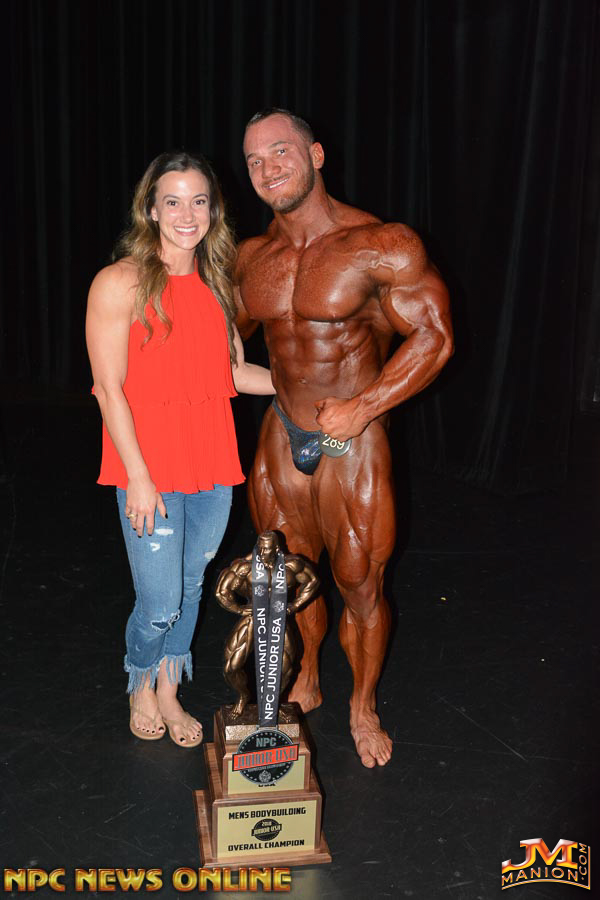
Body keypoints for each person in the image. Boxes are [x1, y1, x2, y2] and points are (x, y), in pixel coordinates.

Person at [235, 109, 453, 767]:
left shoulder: (381, 244)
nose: (269, 168)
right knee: (288, 576)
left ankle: (363, 705)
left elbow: (434, 336)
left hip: (351, 440)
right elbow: (215, 341)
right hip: (282, 434)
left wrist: (364, 407)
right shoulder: (252, 258)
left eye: (281, 152)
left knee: (359, 583)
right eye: (254, 161)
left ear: (316, 155)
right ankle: (306, 671)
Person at [86, 151, 274, 747]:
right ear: (151, 209)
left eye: (199, 201)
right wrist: (139, 478)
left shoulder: (217, 287)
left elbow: (234, 373)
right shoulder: (119, 282)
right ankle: (140, 678)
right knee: (160, 601)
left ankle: (169, 690)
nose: (187, 214)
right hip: (149, 469)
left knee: (192, 587)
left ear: (213, 211)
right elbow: (109, 389)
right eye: (173, 201)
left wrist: (308, 387)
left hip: (212, 464)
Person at [215, 531, 320, 717]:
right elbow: (221, 591)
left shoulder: (291, 565)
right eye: (260, 549)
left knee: (285, 669)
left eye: (267, 549)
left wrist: (295, 605)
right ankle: (243, 696)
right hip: (253, 617)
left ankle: (273, 703)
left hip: (278, 618)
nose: (262, 553)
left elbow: (312, 581)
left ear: (276, 549)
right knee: (231, 667)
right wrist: (239, 609)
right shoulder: (245, 566)